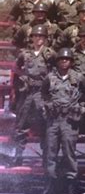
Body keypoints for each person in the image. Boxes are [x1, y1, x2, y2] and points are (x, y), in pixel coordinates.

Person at [34, 48, 85, 194]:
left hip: (69, 121)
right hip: (53, 120)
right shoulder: (50, 78)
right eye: (61, 59)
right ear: (57, 61)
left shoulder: (78, 78)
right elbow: (42, 93)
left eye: (67, 59)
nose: (64, 61)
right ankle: (49, 186)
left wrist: (82, 107)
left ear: (71, 62)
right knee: (50, 153)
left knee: (69, 153)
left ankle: (70, 186)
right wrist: (45, 107)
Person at [12, 25, 56, 165]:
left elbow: (56, 69)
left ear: (45, 38)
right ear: (32, 38)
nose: (38, 39)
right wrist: (23, 76)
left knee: (44, 124)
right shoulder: (25, 54)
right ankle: (18, 156)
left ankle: (45, 157)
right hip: (27, 92)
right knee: (22, 124)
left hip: (41, 93)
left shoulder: (50, 54)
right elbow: (16, 68)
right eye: (36, 36)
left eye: (41, 36)